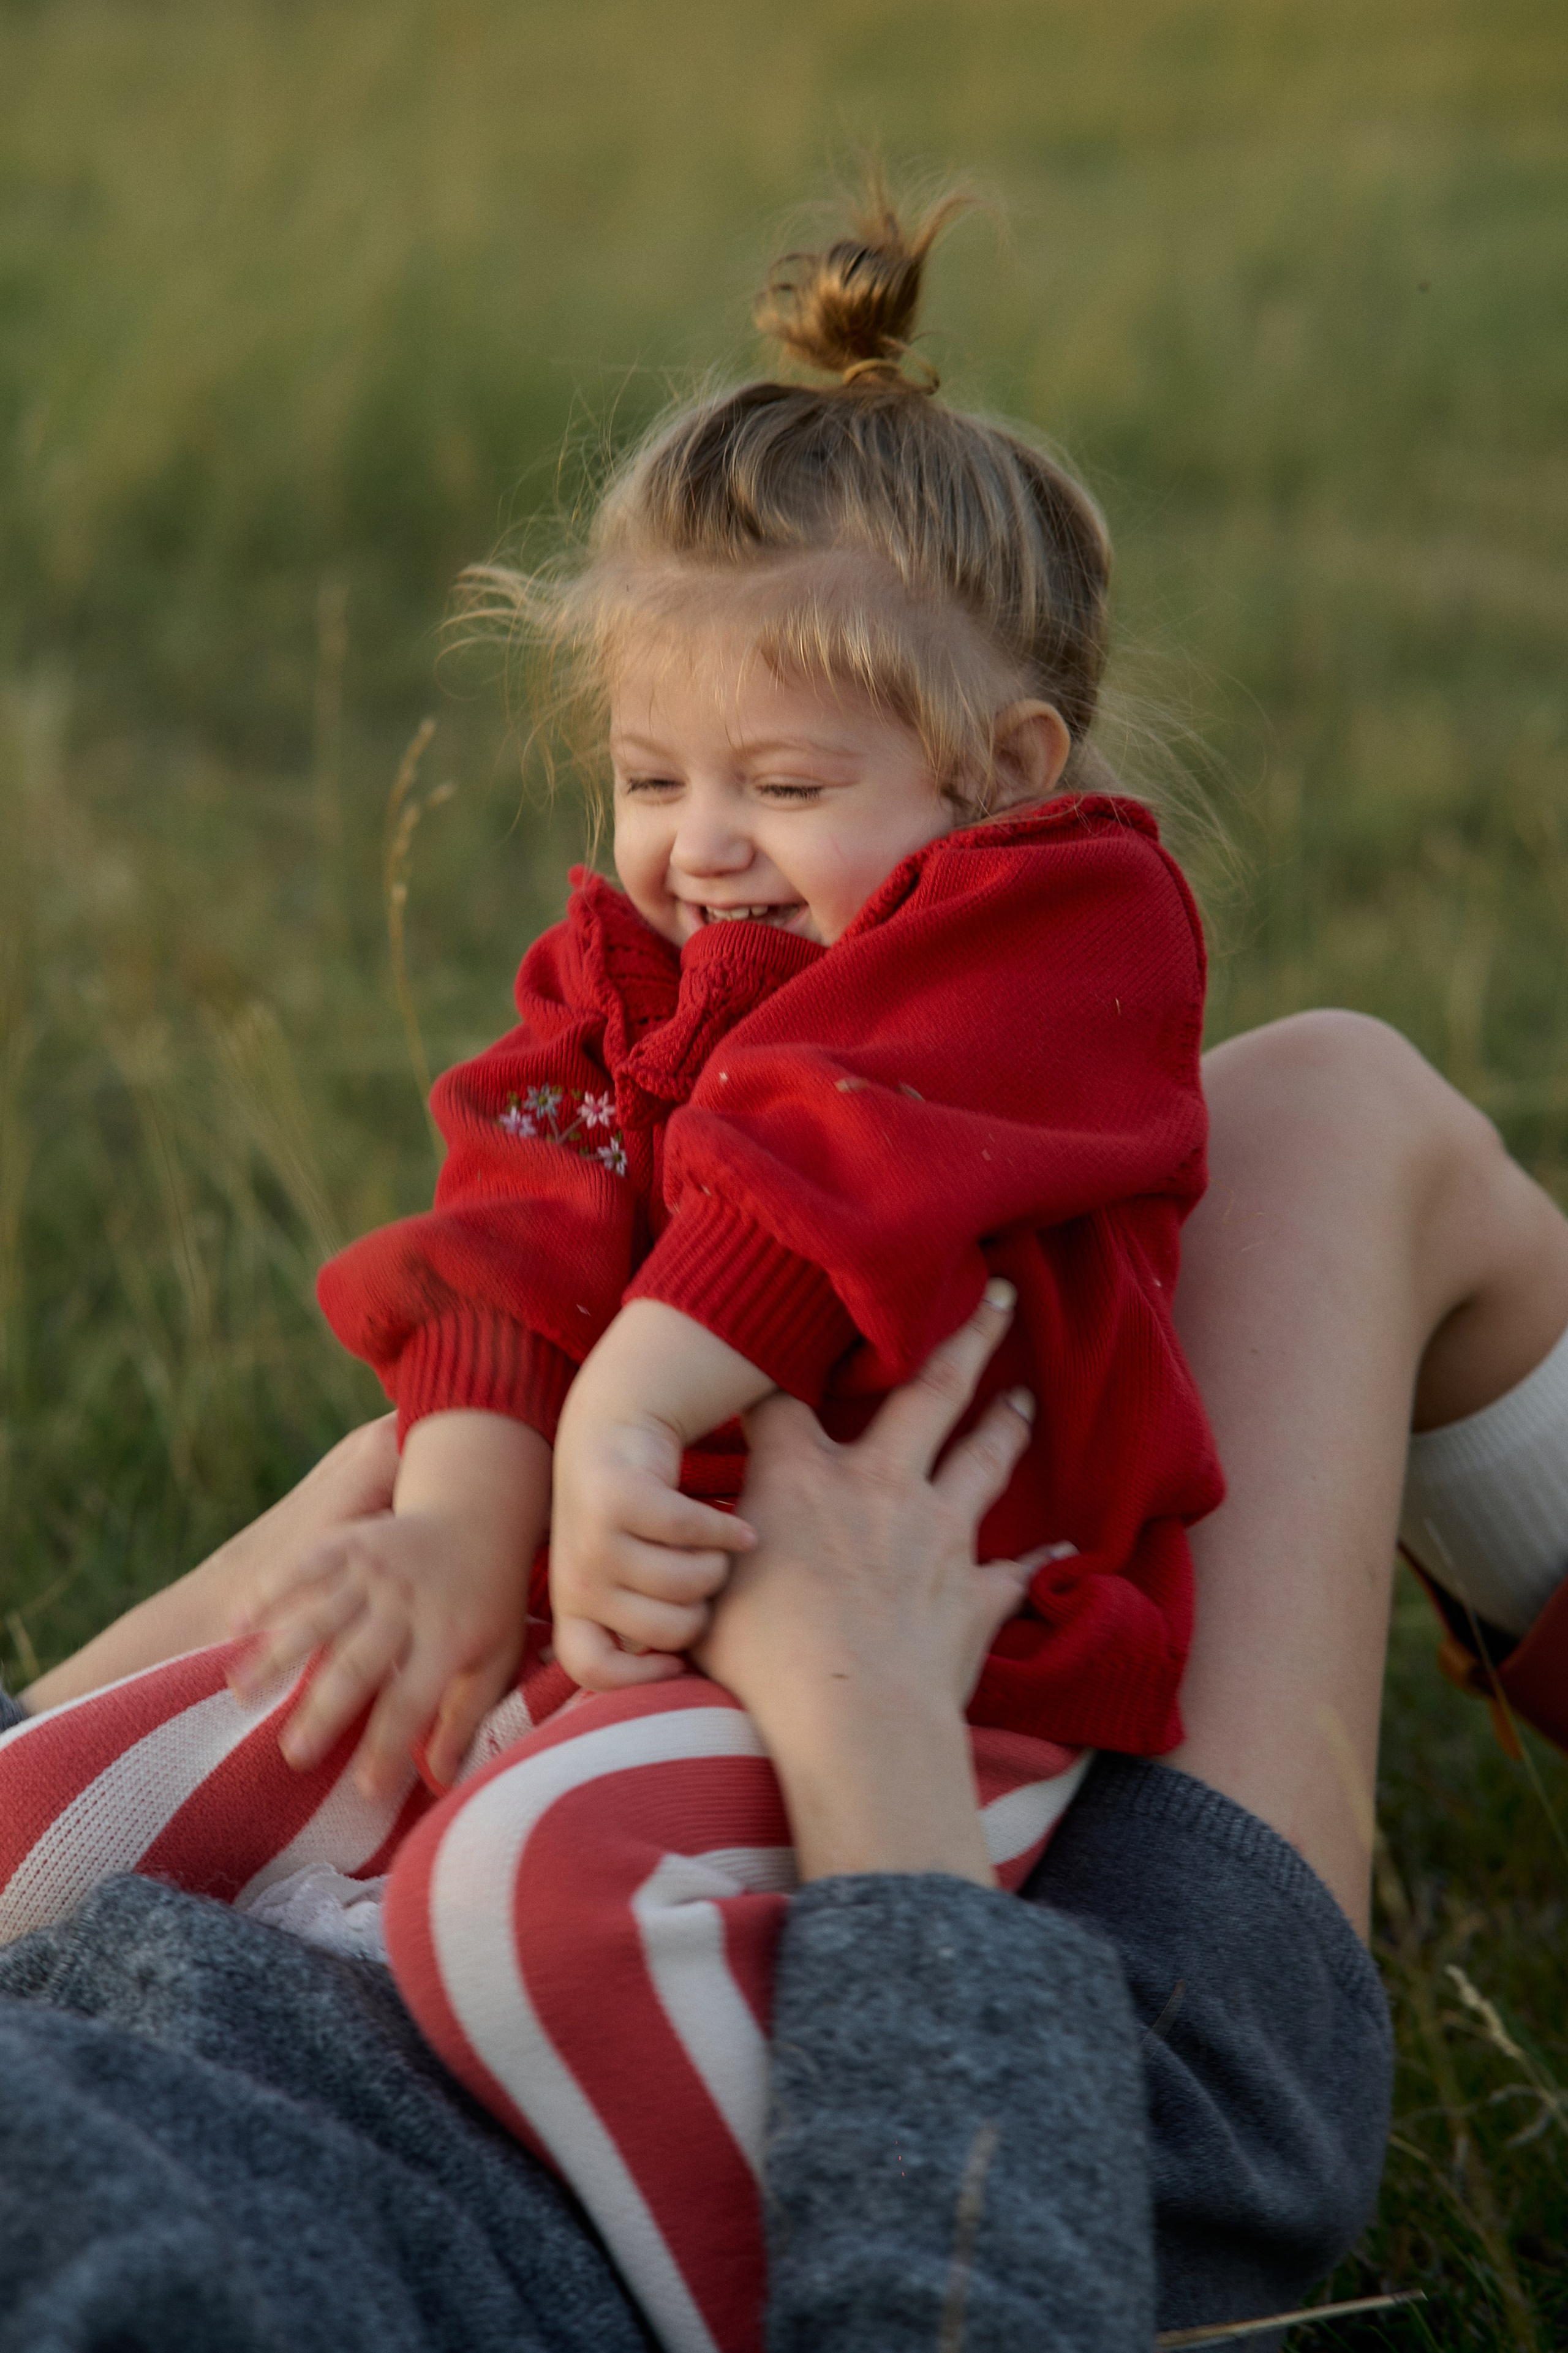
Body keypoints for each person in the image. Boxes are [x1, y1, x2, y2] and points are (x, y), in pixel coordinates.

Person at [5, 1009, 1567, 2351]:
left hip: (372, 1847)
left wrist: (234, 1600)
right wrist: (863, 1729)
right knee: (1321, 1120)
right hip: (972, 2075)